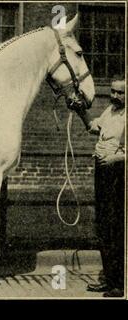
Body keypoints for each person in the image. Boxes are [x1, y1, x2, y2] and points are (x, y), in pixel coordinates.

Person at [70, 76, 125, 297]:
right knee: (103, 224)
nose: (115, 96)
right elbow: (94, 128)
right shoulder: (111, 111)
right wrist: (80, 110)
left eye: (120, 93)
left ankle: (119, 284)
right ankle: (109, 278)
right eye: (113, 91)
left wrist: (116, 159)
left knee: (116, 226)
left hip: (120, 175)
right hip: (103, 172)